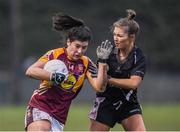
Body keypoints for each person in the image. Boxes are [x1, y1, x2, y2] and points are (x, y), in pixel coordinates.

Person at [25, 12, 113, 131]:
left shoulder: (86, 63)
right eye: (77, 46)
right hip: (40, 106)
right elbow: (30, 71)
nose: (80, 51)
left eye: (84, 47)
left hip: (59, 116)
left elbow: (100, 87)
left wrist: (102, 63)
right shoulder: (55, 54)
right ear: (68, 42)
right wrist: (54, 76)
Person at [89, 9, 147, 131]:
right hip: (106, 102)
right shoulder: (107, 52)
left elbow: (133, 83)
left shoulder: (139, 57)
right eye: (114, 34)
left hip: (128, 104)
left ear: (132, 37)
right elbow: (101, 84)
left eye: (120, 35)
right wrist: (103, 62)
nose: (115, 38)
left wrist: (109, 80)